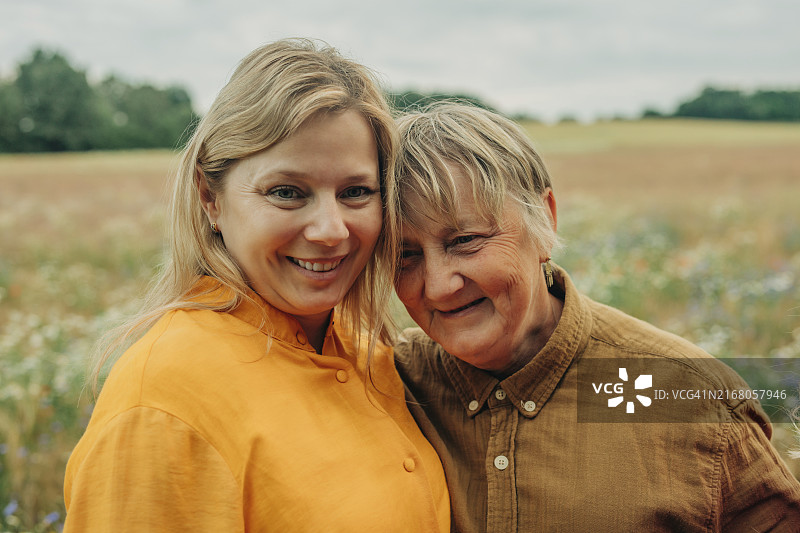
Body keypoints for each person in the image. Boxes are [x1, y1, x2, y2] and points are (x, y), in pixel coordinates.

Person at [62, 39, 450, 532]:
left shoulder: (364, 347)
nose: (331, 229)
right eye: (286, 192)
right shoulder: (163, 402)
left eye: (356, 192)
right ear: (211, 197)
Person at [392, 102, 800, 532]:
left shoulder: (687, 397)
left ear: (544, 221)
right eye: (405, 255)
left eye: (465, 240)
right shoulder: (386, 379)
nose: (437, 285)